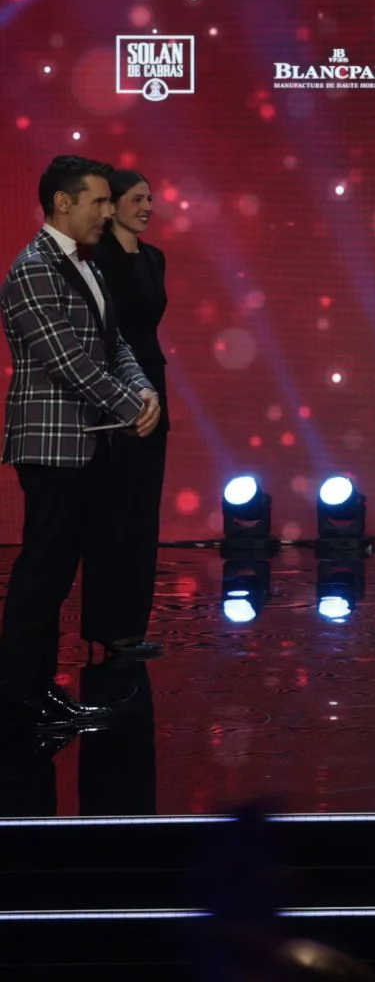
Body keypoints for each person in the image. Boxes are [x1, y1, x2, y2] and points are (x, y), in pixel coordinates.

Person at [0, 156, 162, 734]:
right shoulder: (32, 269)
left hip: (88, 443)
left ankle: (39, 691)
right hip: (52, 445)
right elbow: (67, 360)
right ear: (62, 203)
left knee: (59, 572)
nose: (106, 210)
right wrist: (128, 406)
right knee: (42, 571)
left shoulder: (84, 265)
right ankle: (19, 693)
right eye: (97, 201)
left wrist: (142, 389)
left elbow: (114, 344)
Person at [85, 168, 171, 662]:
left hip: (153, 387)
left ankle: (131, 629)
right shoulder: (95, 260)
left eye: (150, 198)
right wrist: (121, 392)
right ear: (112, 205)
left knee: (143, 513)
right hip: (112, 391)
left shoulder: (156, 258)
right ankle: (107, 628)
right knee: (112, 515)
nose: (146, 206)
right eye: (137, 198)